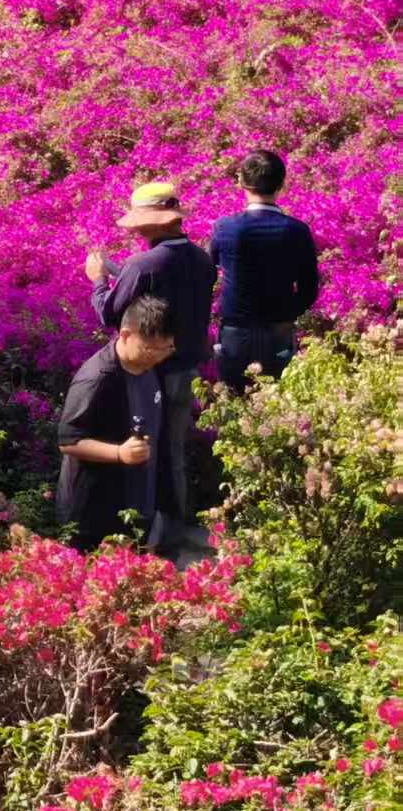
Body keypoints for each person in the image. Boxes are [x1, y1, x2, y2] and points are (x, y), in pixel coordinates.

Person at [84, 180, 215, 546]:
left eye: (141, 221)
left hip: (151, 371)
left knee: (142, 448)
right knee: (172, 449)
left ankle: (145, 532)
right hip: (188, 369)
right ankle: (176, 525)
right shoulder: (202, 259)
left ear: (156, 222)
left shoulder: (143, 265)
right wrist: (121, 272)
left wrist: (98, 281)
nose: (136, 227)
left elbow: (109, 315)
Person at [57, 295, 177, 552]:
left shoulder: (147, 366)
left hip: (136, 503)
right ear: (125, 335)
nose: (158, 357)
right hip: (95, 512)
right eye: (151, 349)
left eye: (166, 348)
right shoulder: (97, 379)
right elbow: (69, 441)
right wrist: (119, 453)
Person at [207, 150, 320, 391]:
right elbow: (309, 289)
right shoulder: (297, 230)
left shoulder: (226, 228)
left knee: (234, 401)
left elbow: (208, 274)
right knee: (277, 399)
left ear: (241, 182)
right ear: (282, 184)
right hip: (278, 329)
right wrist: (286, 312)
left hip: (235, 331)